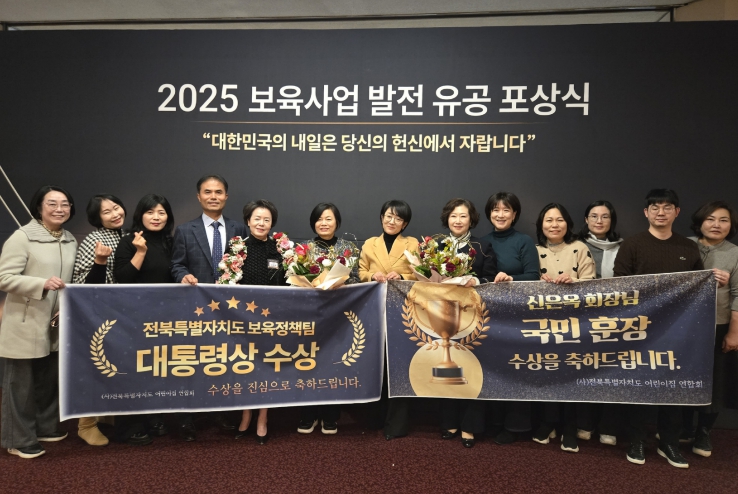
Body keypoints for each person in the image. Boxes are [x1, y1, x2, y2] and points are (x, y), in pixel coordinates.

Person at [613, 188, 703, 469]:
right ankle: (637, 440)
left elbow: (698, 286)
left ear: (677, 212)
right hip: (640, 328)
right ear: (646, 212)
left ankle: (669, 442)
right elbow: (620, 285)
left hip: (679, 329)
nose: (660, 213)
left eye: (667, 207)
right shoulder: (632, 244)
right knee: (638, 385)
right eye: (655, 207)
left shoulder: (688, 247)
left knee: (673, 386)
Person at [0, 186, 77, 459]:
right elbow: (4, 277)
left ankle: (45, 427)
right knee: (19, 385)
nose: (59, 209)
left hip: (55, 322)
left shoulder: (69, 239)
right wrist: (40, 284)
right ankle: (17, 439)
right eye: (52, 204)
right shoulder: (22, 237)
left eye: (65, 204)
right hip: (25, 320)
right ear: (39, 207)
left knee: (48, 379)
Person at [170, 174, 248, 441]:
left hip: (230, 310)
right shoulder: (184, 230)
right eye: (207, 192)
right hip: (196, 307)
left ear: (226, 196)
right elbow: (176, 264)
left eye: (218, 192)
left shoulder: (240, 229)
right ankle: (186, 418)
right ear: (198, 196)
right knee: (191, 362)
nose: (213, 196)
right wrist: (183, 276)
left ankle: (220, 412)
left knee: (223, 361)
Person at [113, 194, 175, 445]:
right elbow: (123, 278)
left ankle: (155, 417)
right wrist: (140, 252)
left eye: (161, 212)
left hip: (164, 317)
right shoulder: (129, 241)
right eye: (150, 212)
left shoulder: (171, 242)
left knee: (158, 369)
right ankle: (131, 425)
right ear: (140, 215)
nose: (156, 217)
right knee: (134, 370)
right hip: (134, 316)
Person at [533, 203, 595, 454]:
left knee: (571, 373)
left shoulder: (579, 247)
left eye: (559, 220)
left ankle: (569, 427)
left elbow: (593, 284)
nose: (554, 225)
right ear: (541, 225)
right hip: (543, 323)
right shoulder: (534, 250)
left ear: (567, 223)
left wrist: (574, 281)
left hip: (574, 322)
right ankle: (548, 422)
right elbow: (526, 282)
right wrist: (537, 282)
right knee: (546, 373)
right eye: (548, 220)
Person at [438, 198, 498, 448]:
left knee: (472, 369)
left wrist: (476, 281)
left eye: (463, 216)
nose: (458, 220)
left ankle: (470, 426)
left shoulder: (482, 246)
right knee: (447, 369)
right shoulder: (436, 246)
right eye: (453, 216)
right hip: (443, 315)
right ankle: (449, 421)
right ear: (447, 219)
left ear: (471, 219)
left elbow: (491, 277)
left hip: (474, 315)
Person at [480, 192, 539, 445]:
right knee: (491, 368)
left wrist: (511, 279)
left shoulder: (523, 241)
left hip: (517, 316)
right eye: (495, 210)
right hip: (488, 315)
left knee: (515, 368)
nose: (500, 214)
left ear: (514, 214)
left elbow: (534, 276)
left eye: (506, 210)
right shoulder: (481, 242)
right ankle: (493, 422)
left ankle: (515, 425)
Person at [358, 200, 419, 440]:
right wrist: (372, 275)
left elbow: (421, 273)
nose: (392, 221)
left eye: (398, 218)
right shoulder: (369, 243)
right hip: (374, 310)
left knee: (399, 366)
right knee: (376, 364)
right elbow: (360, 271)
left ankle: (397, 424)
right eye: (388, 216)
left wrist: (402, 275)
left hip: (403, 311)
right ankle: (374, 419)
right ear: (381, 217)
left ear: (405, 223)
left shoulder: (413, 244)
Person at [296, 203, 359, 436]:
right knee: (308, 363)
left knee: (334, 364)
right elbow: (292, 277)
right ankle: (308, 414)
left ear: (337, 222)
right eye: (319, 219)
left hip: (339, 315)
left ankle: (331, 416)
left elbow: (357, 278)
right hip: (309, 315)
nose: (323, 223)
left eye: (328, 219)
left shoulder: (348, 248)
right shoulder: (303, 248)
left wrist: (341, 282)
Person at [70, 194, 127, 447]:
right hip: (98, 313)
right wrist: (100, 261)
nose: (115, 214)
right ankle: (86, 424)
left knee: (116, 365)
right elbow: (83, 285)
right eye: (106, 212)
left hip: (123, 312)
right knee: (94, 366)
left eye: (116, 207)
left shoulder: (128, 235)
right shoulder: (93, 240)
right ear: (97, 218)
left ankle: (106, 414)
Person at [682, 201, 738, 458]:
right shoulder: (684, 244)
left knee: (714, 380)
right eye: (711, 219)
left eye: (723, 220)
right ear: (700, 222)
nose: (716, 225)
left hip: (718, 324)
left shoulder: (734, 253)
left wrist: (734, 333)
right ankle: (683, 427)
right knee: (683, 376)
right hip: (683, 324)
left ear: (731, 225)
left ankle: (703, 432)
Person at [235, 200, 287, 445]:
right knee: (245, 368)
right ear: (248, 221)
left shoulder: (280, 250)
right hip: (242, 320)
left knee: (267, 368)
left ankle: (263, 418)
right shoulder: (237, 249)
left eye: (266, 219)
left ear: (272, 223)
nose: (261, 223)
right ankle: (246, 414)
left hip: (271, 320)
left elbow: (288, 283)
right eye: (257, 218)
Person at [579, 200, 624, 446]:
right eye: (594, 216)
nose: (599, 221)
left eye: (605, 216)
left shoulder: (624, 247)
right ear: (586, 220)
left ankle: (609, 426)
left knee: (611, 370)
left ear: (611, 220)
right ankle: (584, 423)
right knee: (583, 368)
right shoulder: (576, 245)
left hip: (614, 320)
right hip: (581, 320)